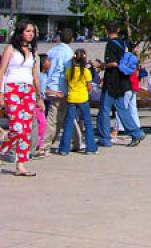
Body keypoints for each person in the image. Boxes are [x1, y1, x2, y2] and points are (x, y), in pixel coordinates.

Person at [0, 20, 45, 176]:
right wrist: (0, 94)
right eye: (27, 31)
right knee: (17, 128)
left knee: (26, 130)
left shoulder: (33, 51)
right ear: (20, 32)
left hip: (28, 91)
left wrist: (39, 97)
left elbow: (35, 76)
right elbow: (2, 72)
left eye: (32, 31)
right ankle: (3, 150)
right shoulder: (11, 49)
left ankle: (21, 165)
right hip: (12, 89)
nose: (30, 34)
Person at [93, 22, 146, 148]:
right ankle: (136, 132)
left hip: (112, 81)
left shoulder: (110, 44)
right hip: (124, 80)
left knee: (105, 110)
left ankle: (104, 138)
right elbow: (134, 54)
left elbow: (113, 63)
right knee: (122, 109)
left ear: (106, 30)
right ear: (117, 29)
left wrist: (101, 65)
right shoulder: (124, 43)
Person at [41, 27, 80, 153]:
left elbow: (46, 68)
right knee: (62, 117)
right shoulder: (69, 53)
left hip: (51, 86)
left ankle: (46, 144)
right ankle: (76, 141)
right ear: (72, 39)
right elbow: (68, 73)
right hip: (62, 87)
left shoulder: (52, 51)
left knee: (56, 117)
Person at [56, 49, 97, 156]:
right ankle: (90, 147)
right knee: (88, 123)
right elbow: (89, 86)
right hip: (82, 98)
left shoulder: (69, 71)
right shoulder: (86, 72)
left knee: (69, 123)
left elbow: (67, 82)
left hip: (71, 98)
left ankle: (64, 148)